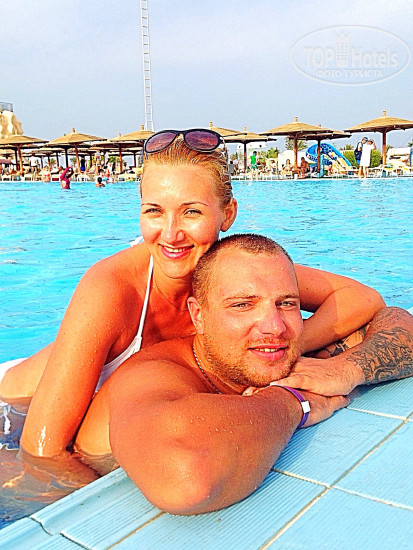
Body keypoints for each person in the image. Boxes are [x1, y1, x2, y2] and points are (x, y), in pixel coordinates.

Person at [0, 129, 385, 459]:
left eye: (191, 212)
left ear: (227, 214)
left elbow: (362, 297)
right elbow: (41, 448)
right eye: (154, 211)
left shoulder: (234, 273)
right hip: (14, 410)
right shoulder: (113, 288)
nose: (170, 234)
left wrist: (282, 349)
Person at [73, 234, 413, 514]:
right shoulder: (153, 373)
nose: (274, 327)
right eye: (242, 305)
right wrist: (293, 401)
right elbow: (186, 479)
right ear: (199, 316)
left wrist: (346, 369)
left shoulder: (272, 352)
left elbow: (396, 322)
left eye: (287, 303)